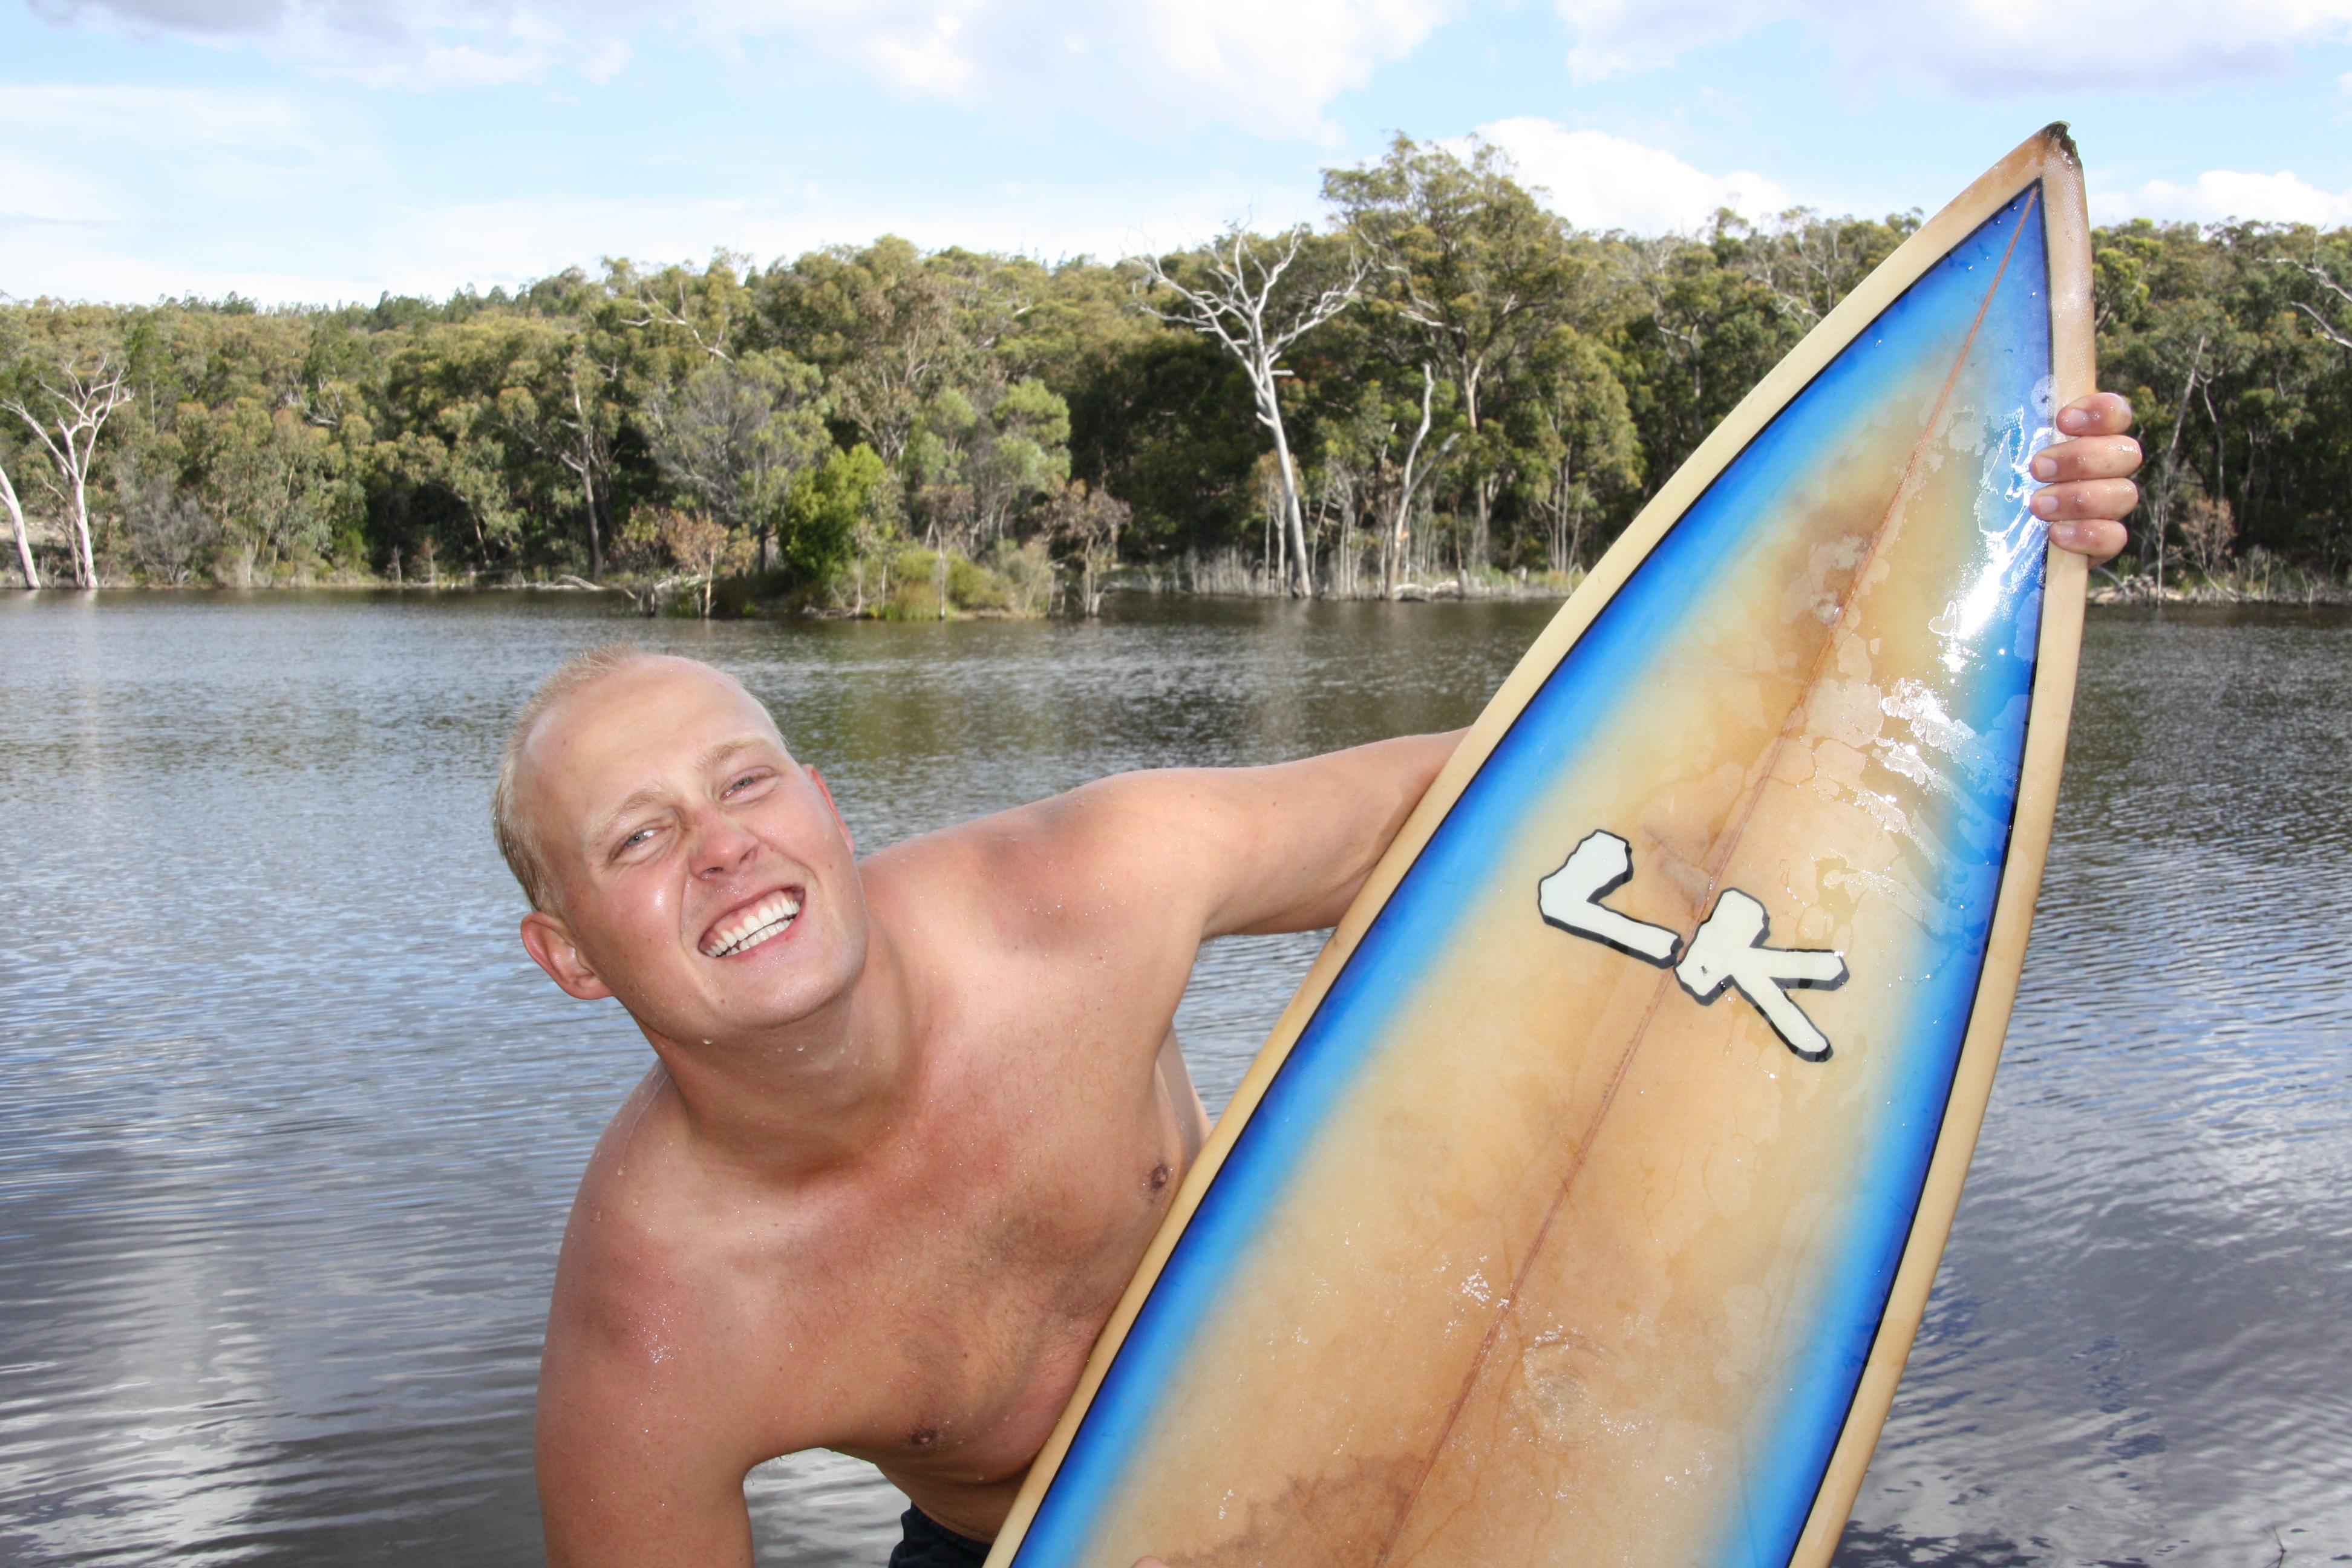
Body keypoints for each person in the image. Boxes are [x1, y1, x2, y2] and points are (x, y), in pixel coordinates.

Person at [502, 395, 2143, 1568]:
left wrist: (1970, 531)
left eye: (745, 782)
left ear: (824, 805)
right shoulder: (656, 1336)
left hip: (1382, 1446)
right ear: (569, 953)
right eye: (640, 836)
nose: (723, 847)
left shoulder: (1083, 894)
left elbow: (1518, 798)